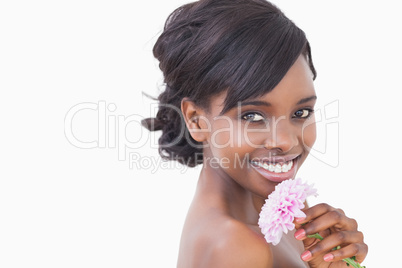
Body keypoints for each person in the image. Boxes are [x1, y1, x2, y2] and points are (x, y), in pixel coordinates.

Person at [142, 0, 368, 267]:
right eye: (253, 116)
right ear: (197, 121)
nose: (285, 141)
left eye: (301, 113)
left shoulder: (285, 210)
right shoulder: (235, 245)